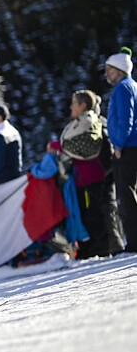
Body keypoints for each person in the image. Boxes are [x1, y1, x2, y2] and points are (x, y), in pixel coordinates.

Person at [53, 90, 125, 258]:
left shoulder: (95, 124)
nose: (71, 107)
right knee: (90, 214)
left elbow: (100, 151)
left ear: (84, 106)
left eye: (74, 103)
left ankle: (107, 248)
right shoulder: (80, 125)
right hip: (84, 178)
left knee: (101, 213)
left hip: (96, 178)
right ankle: (94, 247)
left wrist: (105, 174)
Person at [104, 47, 137, 252]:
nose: (106, 73)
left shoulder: (123, 88)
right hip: (131, 145)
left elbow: (125, 119)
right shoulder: (131, 85)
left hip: (127, 147)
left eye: (109, 69)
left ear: (119, 70)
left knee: (126, 195)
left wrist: (118, 145)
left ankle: (134, 240)